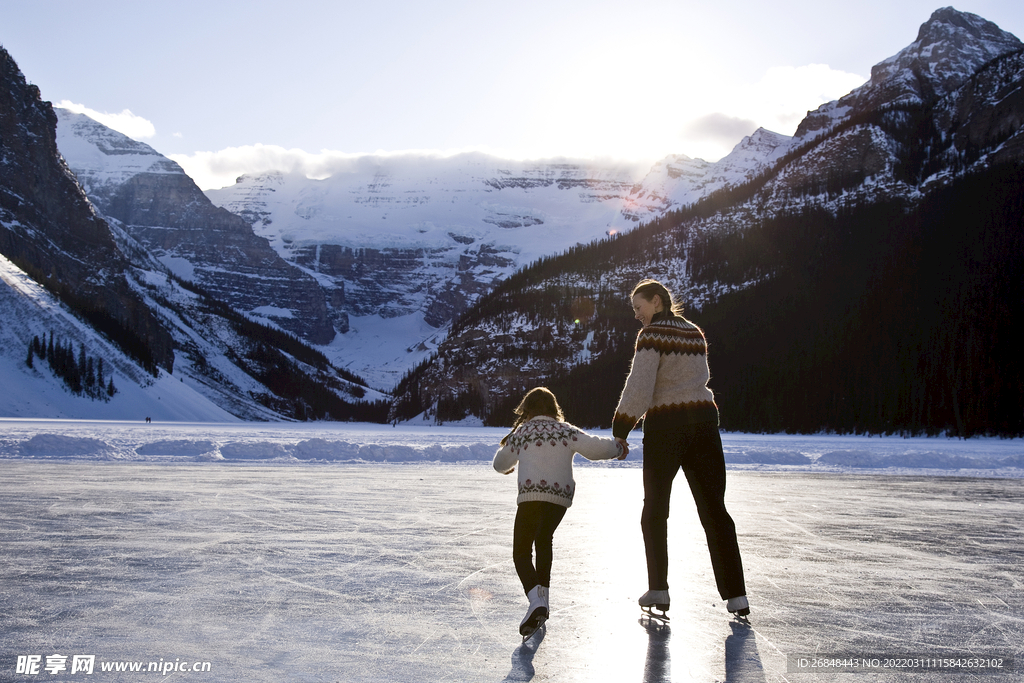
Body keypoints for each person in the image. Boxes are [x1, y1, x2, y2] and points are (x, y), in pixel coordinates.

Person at [612, 279, 749, 619]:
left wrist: (620, 429)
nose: (636, 315)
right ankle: (737, 596)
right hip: (703, 424)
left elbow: (640, 386)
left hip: (667, 427)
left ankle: (659, 588)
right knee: (715, 510)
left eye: (638, 307)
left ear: (656, 302)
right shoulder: (694, 332)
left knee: (655, 508)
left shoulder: (651, 336)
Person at [493, 387, 627, 636]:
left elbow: (499, 463)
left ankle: (536, 601)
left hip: (531, 496)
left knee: (521, 551)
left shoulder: (523, 432)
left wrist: (508, 467)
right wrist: (617, 448)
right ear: (554, 409)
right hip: (559, 500)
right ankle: (542, 600)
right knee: (544, 540)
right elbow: (595, 447)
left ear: (527, 410)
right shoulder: (566, 430)